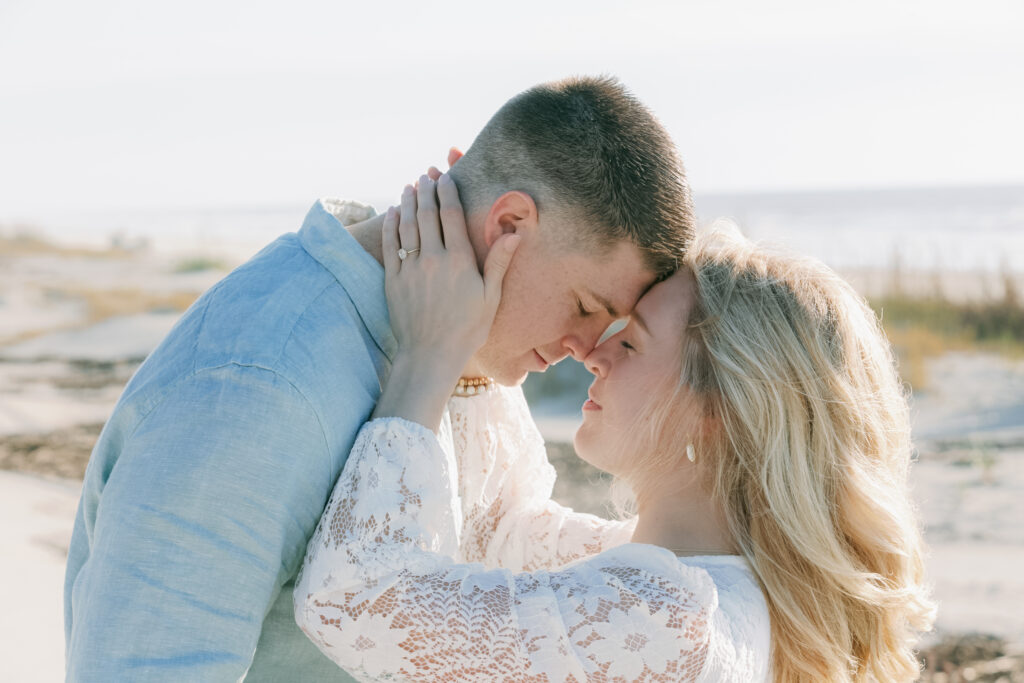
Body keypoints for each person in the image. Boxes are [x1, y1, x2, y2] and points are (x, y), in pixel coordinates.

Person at [62, 76, 695, 681]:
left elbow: (501, 539)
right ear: (507, 225)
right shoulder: (257, 389)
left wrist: (708, 564)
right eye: (587, 307)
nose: (587, 350)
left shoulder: (460, 337)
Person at [294, 192, 936, 681]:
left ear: (719, 410)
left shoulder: (666, 615)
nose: (594, 356)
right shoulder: (715, 584)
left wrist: (430, 355)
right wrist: (488, 345)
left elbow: (350, 599)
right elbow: (500, 532)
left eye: (630, 342)